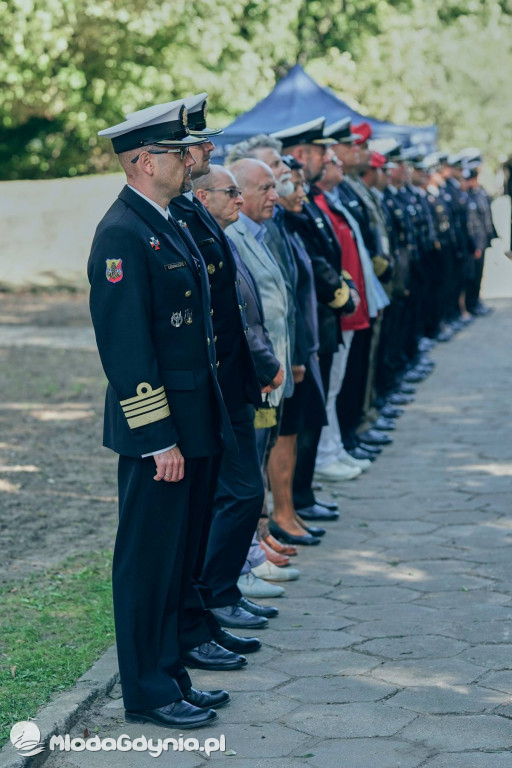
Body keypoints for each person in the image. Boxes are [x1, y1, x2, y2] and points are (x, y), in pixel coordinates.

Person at [89, 100, 241, 731]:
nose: (189, 161)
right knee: (149, 563)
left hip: (193, 419)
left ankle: (171, 675)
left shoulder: (165, 220)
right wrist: (157, 439)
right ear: (144, 161)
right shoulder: (122, 233)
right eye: (177, 153)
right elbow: (126, 350)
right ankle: (147, 692)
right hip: (160, 433)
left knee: (177, 559)